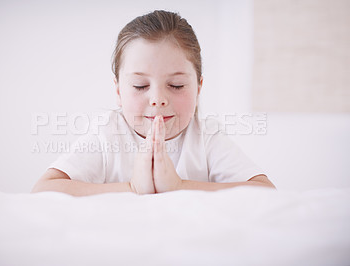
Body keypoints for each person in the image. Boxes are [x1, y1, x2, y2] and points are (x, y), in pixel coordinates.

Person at [31, 10, 275, 196]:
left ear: (199, 87)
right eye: (140, 86)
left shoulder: (206, 137)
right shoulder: (107, 134)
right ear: (118, 90)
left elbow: (266, 192)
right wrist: (132, 187)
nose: (158, 99)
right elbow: (43, 189)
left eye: (176, 85)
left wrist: (179, 186)